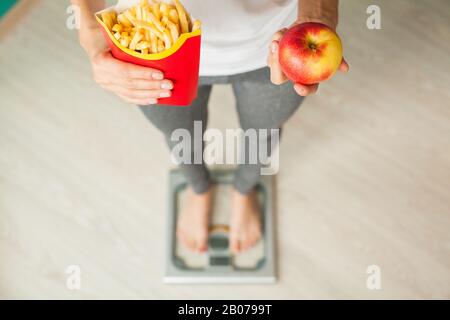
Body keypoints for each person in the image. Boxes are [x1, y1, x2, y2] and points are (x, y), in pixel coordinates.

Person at [73, 0, 348, 254]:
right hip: (151, 45)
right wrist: (89, 29)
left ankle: (245, 189)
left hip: (278, 40)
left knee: (264, 131)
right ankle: (199, 189)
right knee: (179, 133)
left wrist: (317, 14)